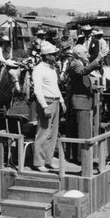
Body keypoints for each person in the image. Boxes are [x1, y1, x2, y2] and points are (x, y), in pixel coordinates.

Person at [66, 44, 108, 164]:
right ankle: (82, 159)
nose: (88, 54)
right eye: (85, 52)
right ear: (78, 54)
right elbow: (83, 72)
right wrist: (98, 57)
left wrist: (93, 87)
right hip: (81, 102)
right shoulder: (75, 64)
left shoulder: (79, 63)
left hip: (83, 102)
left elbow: (81, 81)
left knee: (81, 131)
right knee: (83, 132)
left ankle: (79, 157)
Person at [32, 42, 66, 172]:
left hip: (55, 101)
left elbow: (55, 86)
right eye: (53, 55)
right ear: (46, 56)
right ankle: (38, 162)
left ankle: (48, 160)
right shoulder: (38, 69)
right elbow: (37, 90)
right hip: (46, 102)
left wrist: (61, 100)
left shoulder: (52, 68)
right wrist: (45, 106)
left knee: (52, 133)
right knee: (43, 133)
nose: (55, 56)